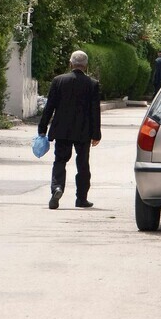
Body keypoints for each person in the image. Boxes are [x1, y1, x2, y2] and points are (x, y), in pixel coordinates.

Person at [38, 50, 101, 210]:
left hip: (62, 130)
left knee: (60, 160)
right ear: (86, 66)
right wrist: (96, 134)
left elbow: (49, 106)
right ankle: (81, 198)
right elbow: (95, 111)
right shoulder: (92, 84)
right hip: (83, 131)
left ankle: (57, 188)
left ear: (70, 63)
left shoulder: (59, 81)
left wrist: (42, 127)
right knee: (83, 164)